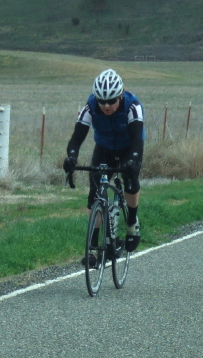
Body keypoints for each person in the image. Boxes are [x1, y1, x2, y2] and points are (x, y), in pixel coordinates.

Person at [63, 68, 144, 264]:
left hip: (129, 148)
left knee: (130, 180)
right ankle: (92, 249)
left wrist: (132, 161)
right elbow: (76, 138)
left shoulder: (133, 105)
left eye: (112, 101)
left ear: (121, 95)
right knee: (95, 194)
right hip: (104, 149)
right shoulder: (90, 107)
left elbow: (137, 140)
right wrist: (72, 158)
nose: (106, 106)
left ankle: (132, 222)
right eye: (102, 101)